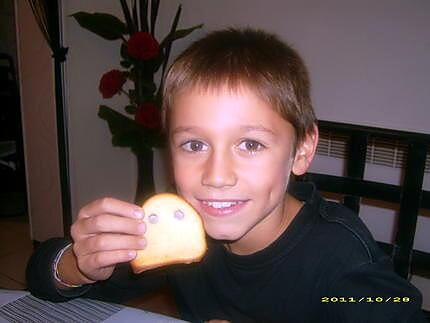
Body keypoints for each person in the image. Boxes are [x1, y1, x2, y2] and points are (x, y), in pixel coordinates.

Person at [26, 28, 426, 323]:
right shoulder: (178, 237)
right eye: (194, 145)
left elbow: (395, 310)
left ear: (301, 150)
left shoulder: (337, 252)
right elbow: (42, 280)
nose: (216, 176)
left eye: (250, 144)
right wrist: (78, 263)